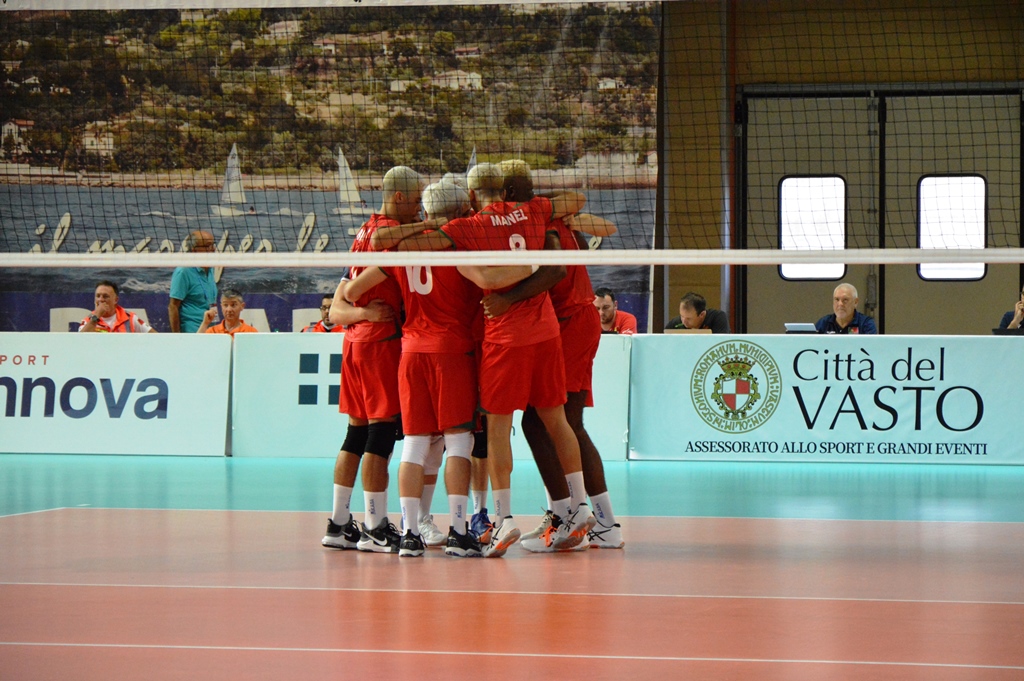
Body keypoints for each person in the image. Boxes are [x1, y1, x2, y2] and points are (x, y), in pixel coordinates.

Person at [371, 161, 593, 557]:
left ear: (473, 195)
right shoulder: (535, 210)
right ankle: (579, 506)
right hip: (545, 332)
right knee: (556, 421)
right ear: (507, 190)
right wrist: (536, 254)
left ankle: (497, 517)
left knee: (484, 432)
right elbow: (576, 200)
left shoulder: (466, 229)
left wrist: (429, 227)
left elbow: (392, 246)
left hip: (495, 340)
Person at [343, 179, 514, 558]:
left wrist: (366, 312)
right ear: (460, 212)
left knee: (415, 444)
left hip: (410, 352)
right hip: (451, 352)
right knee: (459, 442)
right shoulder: (460, 248)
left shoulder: (402, 250)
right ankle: (458, 532)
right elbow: (491, 281)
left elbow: (352, 292)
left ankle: (408, 533)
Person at [484, 212, 625, 551]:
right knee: (548, 423)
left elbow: (555, 270)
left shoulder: (539, 224)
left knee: (554, 423)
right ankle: (581, 517)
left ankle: (581, 518)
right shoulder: (548, 219)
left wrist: (505, 298)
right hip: (567, 321)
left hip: (569, 322)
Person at [321, 166, 429, 555]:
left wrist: (360, 313)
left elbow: (339, 305)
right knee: (379, 435)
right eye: (416, 201)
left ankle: (338, 523)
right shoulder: (389, 235)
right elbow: (350, 292)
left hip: (355, 341)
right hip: (379, 342)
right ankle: (375, 527)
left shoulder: (364, 231)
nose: (419, 209)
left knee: (356, 433)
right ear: (399, 197)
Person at [168, 230, 217, 333]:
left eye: (213, 244)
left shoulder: (210, 268)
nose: (213, 249)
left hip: (211, 330)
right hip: (192, 331)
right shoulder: (183, 271)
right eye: (208, 246)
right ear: (194, 250)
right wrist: (178, 337)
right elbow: (173, 306)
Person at [79, 280, 156, 333]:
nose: (101, 300)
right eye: (98, 296)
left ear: (115, 300)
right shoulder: (88, 321)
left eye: (105, 296)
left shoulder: (130, 318)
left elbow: (155, 337)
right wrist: (96, 316)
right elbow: (80, 342)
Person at [665, 292, 730, 333]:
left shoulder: (717, 318)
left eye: (688, 319)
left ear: (702, 314)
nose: (683, 322)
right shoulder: (676, 323)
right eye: (682, 316)